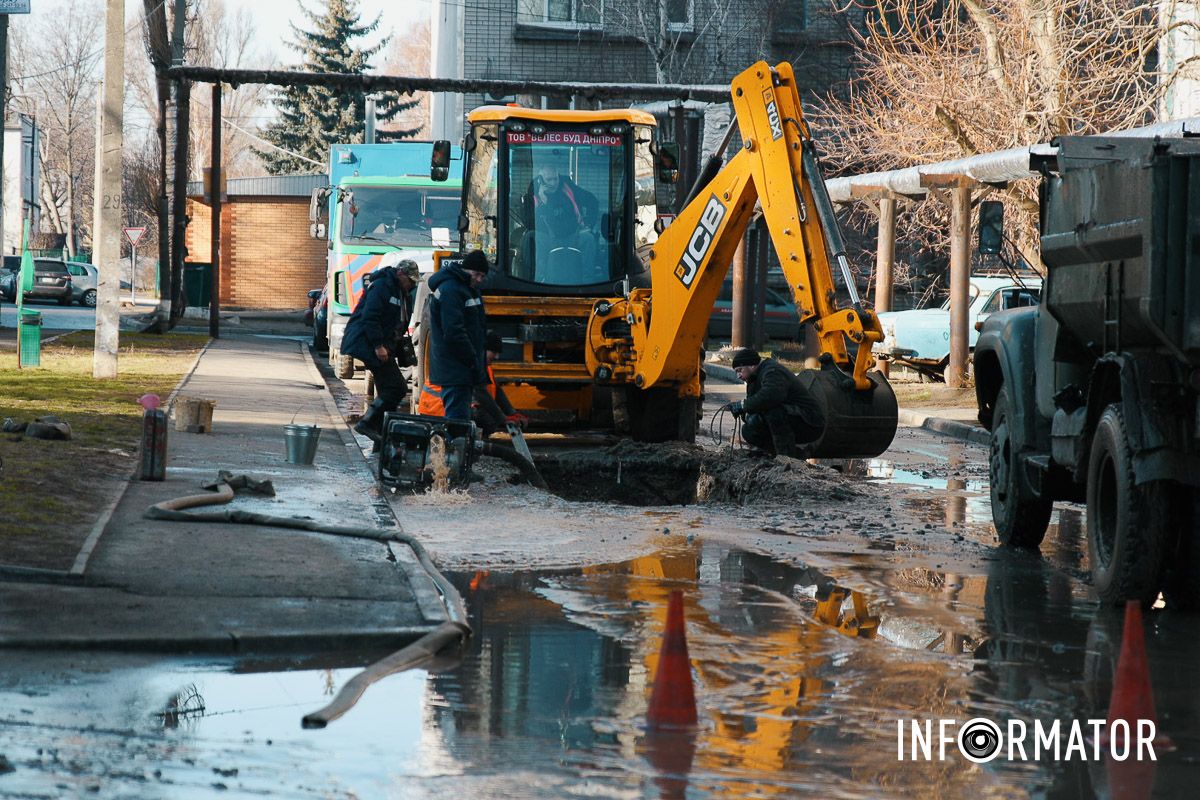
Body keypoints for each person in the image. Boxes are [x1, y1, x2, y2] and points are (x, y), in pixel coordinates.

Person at [342, 253, 420, 443]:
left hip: (380, 346)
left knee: (388, 389)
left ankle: (382, 438)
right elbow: (371, 317)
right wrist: (378, 346)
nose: (412, 285)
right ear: (400, 274)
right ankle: (368, 423)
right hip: (368, 344)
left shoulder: (401, 293)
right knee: (397, 388)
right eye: (410, 280)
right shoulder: (383, 286)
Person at [419, 332, 528, 436]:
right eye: (494, 352)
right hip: (435, 410)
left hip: (444, 407)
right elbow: (480, 393)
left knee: (486, 415)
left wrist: (511, 413)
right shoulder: (470, 362)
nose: (497, 357)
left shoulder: (483, 365)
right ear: (483, 349)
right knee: (484, 417)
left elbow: (497, 390)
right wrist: (502, 418)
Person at [427, 249, 490, 422]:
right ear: (465, 269)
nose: (479, 279)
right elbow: (454, 332)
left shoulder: (466, 289)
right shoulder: (452, 290)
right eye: (476, 274)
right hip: (455, 368)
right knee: (457, 420)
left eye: (482, 276)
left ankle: (456, 445)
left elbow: (475, 327)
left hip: (459, 368)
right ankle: (453, 447)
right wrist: (472, 360)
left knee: (460, 417)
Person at [728, 348, 826, 458]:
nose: (738, 376)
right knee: (749, 430)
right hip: (792, 418)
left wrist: (743, 405)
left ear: (751, 365)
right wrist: (744, 413)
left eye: (739, 370)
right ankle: (786, 454)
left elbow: (771, 396)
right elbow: (755, 405)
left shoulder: (772, 371)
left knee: (773, 411)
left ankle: (786, 457)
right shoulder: (754, 379)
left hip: (810, 422)